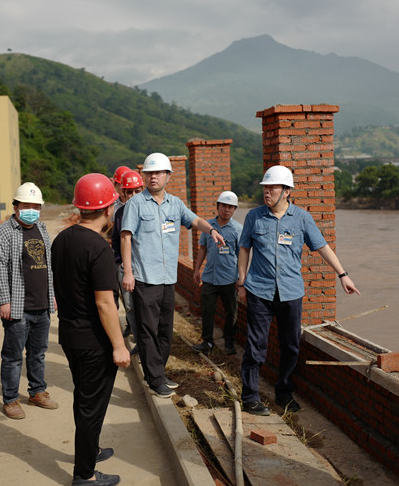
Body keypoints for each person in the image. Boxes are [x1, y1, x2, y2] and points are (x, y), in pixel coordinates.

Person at [237, 165, 360, 416]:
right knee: (255, 345)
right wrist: (241, 282)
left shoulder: (302, 218)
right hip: (259, 291)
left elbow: (322, 246)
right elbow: (244, 248)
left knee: (291, 345)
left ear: (287, 191)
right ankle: (250, 397)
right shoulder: (254, 217)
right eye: (265, 187)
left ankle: (283, 393)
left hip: (291, 292)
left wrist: (343, 275)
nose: (267, 192)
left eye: (272, 187)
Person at [121, 152, 225, 398]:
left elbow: (195, 220)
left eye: (158, 173)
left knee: (165, 331)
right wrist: (128, 272)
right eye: (149, 173)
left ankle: (158, 372)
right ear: (145, 176)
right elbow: (126, 237)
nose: (153, 177)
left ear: (168, 176)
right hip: (145, 279)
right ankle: (155, 379)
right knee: (147, 330)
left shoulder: (175, 204)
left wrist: (211, 230)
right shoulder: (135, 204)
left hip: (168, 279)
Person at [51, 173, 131, 486]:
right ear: (108, 209)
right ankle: (84, 474)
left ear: (79, 207)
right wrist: (119, 346)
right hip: (94, 341)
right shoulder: (98, 247)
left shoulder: (61, 240)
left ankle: (91, 449)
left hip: (69, 334)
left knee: (84, 398)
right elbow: (105, 303)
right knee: (91, 405)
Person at [0, 182, 58, 420]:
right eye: (26, 206)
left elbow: (48, 266)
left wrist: (52, 295)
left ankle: (37, 392)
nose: (32, 210)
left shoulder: (42, 229)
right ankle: (10, 400)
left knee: (38, 353)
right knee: (13, 356)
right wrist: (4, 301)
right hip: (18, 307)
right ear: (16, 206)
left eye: (36, 207)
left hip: (42, 305)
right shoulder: (3, 233)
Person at [192, 191, 243, 355]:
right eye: (224, 206)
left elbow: (242, 255)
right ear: (218, 206)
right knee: (207, 311)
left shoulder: (237, 229)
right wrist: (197, 269)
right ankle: (207, 341)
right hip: (209, 277)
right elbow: (203, 248)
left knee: (231, 312)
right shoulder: (208, 226)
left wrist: (241, 278)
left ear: (234, 209)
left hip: (230, 279)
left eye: (230, 207)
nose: (226, 210)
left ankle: (229, 342)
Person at [110, 170, 144, 351]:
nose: (133, 195)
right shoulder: (120, 213)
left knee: (146, 306)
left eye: (137, 191)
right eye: (129, 192)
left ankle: (148, 342)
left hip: (145, 267)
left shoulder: (150, 210)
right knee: (130, 306)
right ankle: (139, 341)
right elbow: (116, 241)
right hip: (125, 267)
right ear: (122, 192)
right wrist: (119, 264)